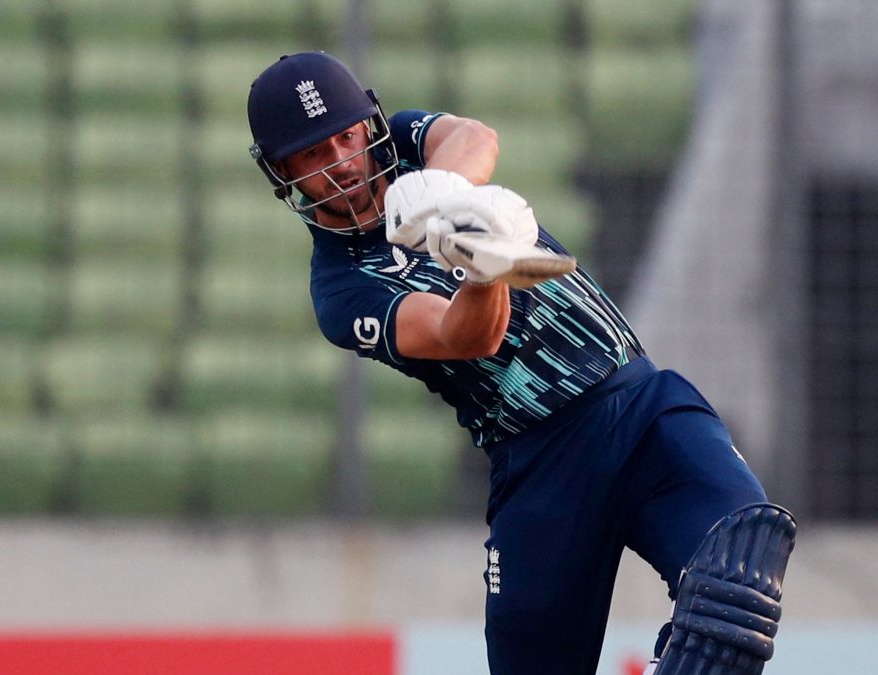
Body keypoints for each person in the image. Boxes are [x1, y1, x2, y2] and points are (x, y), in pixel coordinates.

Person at [246, 51, 796, 675]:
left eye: (345, 137)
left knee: (737, 572)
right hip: (541, 466)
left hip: (644, 409)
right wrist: (484, 268)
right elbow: (463, 335)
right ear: (282, 172)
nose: (342, 161)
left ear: (367, 125)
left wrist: (447, 198)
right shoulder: (341, 288)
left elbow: (474, 137)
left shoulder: (403, 143)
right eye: (314, 155)